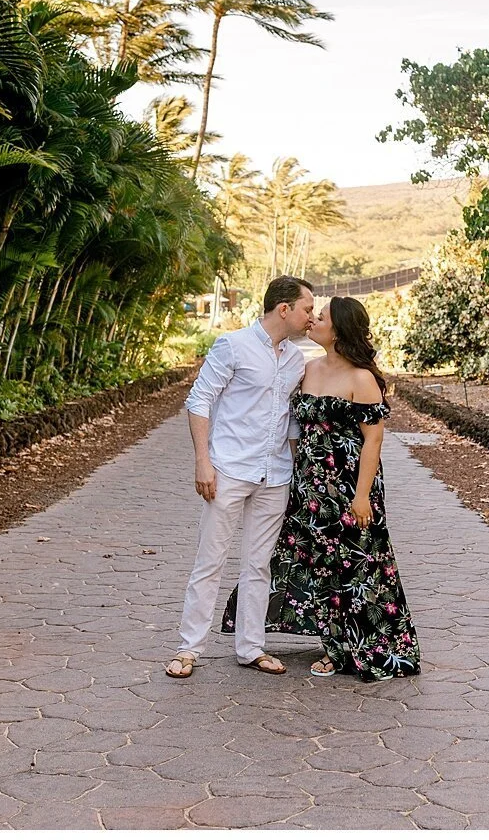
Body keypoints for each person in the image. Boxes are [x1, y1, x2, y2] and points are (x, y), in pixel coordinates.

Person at [221, 296, 421, 681]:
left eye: (322, 317)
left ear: (339, 329)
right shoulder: (309, 369)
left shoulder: (361, 379)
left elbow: (373, 442)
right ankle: (332, 644)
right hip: (310, 488)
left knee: (357, 566)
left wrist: (362, 496)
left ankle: (360, 647)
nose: (313, 320)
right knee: (318, 565)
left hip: (349, 489)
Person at [165, 276, 315, 679]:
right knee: (210, 560)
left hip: (275, 473)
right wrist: (203, 461)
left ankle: (251, 647)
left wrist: (297, 469)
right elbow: (199, 400)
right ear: (284, 309)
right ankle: (188, 649)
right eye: (307, 309)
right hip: (229, 469)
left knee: (258, 564)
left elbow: (290, 421)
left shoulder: (296, 359)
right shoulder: (233, 345)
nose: (311, 317)